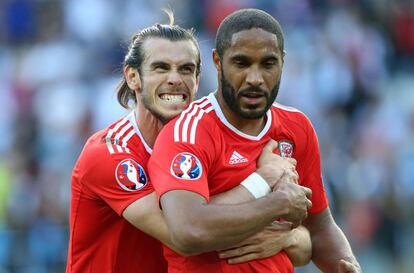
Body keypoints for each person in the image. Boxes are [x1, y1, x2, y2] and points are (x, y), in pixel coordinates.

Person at [66, 12, 313, 273]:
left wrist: (289, 237)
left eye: (186, 69)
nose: (175, 79)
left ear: (197, 81)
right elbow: (185, 234)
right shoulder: (112, 153)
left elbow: (305, 246)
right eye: (161, 67)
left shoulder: (205, 144)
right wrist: (263, 182)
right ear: (132, 77)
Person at [148, 8, 362, 273]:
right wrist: (276, 203)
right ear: (217, 61)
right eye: (241, 63)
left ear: (282, 62)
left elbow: (320, 227)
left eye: (268, 64)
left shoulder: (297, 128)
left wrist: (347, 264)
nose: (255, 78)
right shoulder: (187, 132)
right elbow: (188, 230)